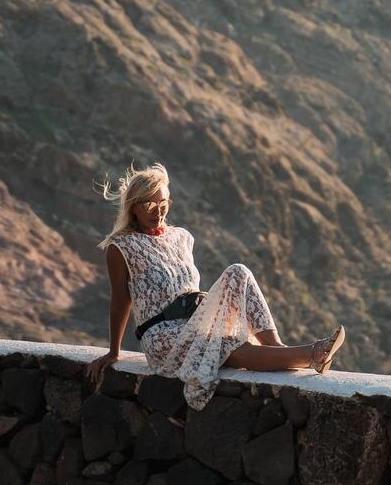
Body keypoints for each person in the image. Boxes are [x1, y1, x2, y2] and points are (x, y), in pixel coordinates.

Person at [83, 163, 344, 410]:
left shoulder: (181, 237)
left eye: (164, 203)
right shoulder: (121, 247)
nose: (158, 211)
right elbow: (121, 299)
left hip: (196, 317)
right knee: (225, 344)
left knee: (237, 272)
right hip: (162, 334)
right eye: (150, 204)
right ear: (134, 207)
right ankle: (313, 353)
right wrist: (113, 352)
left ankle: (278, 349)